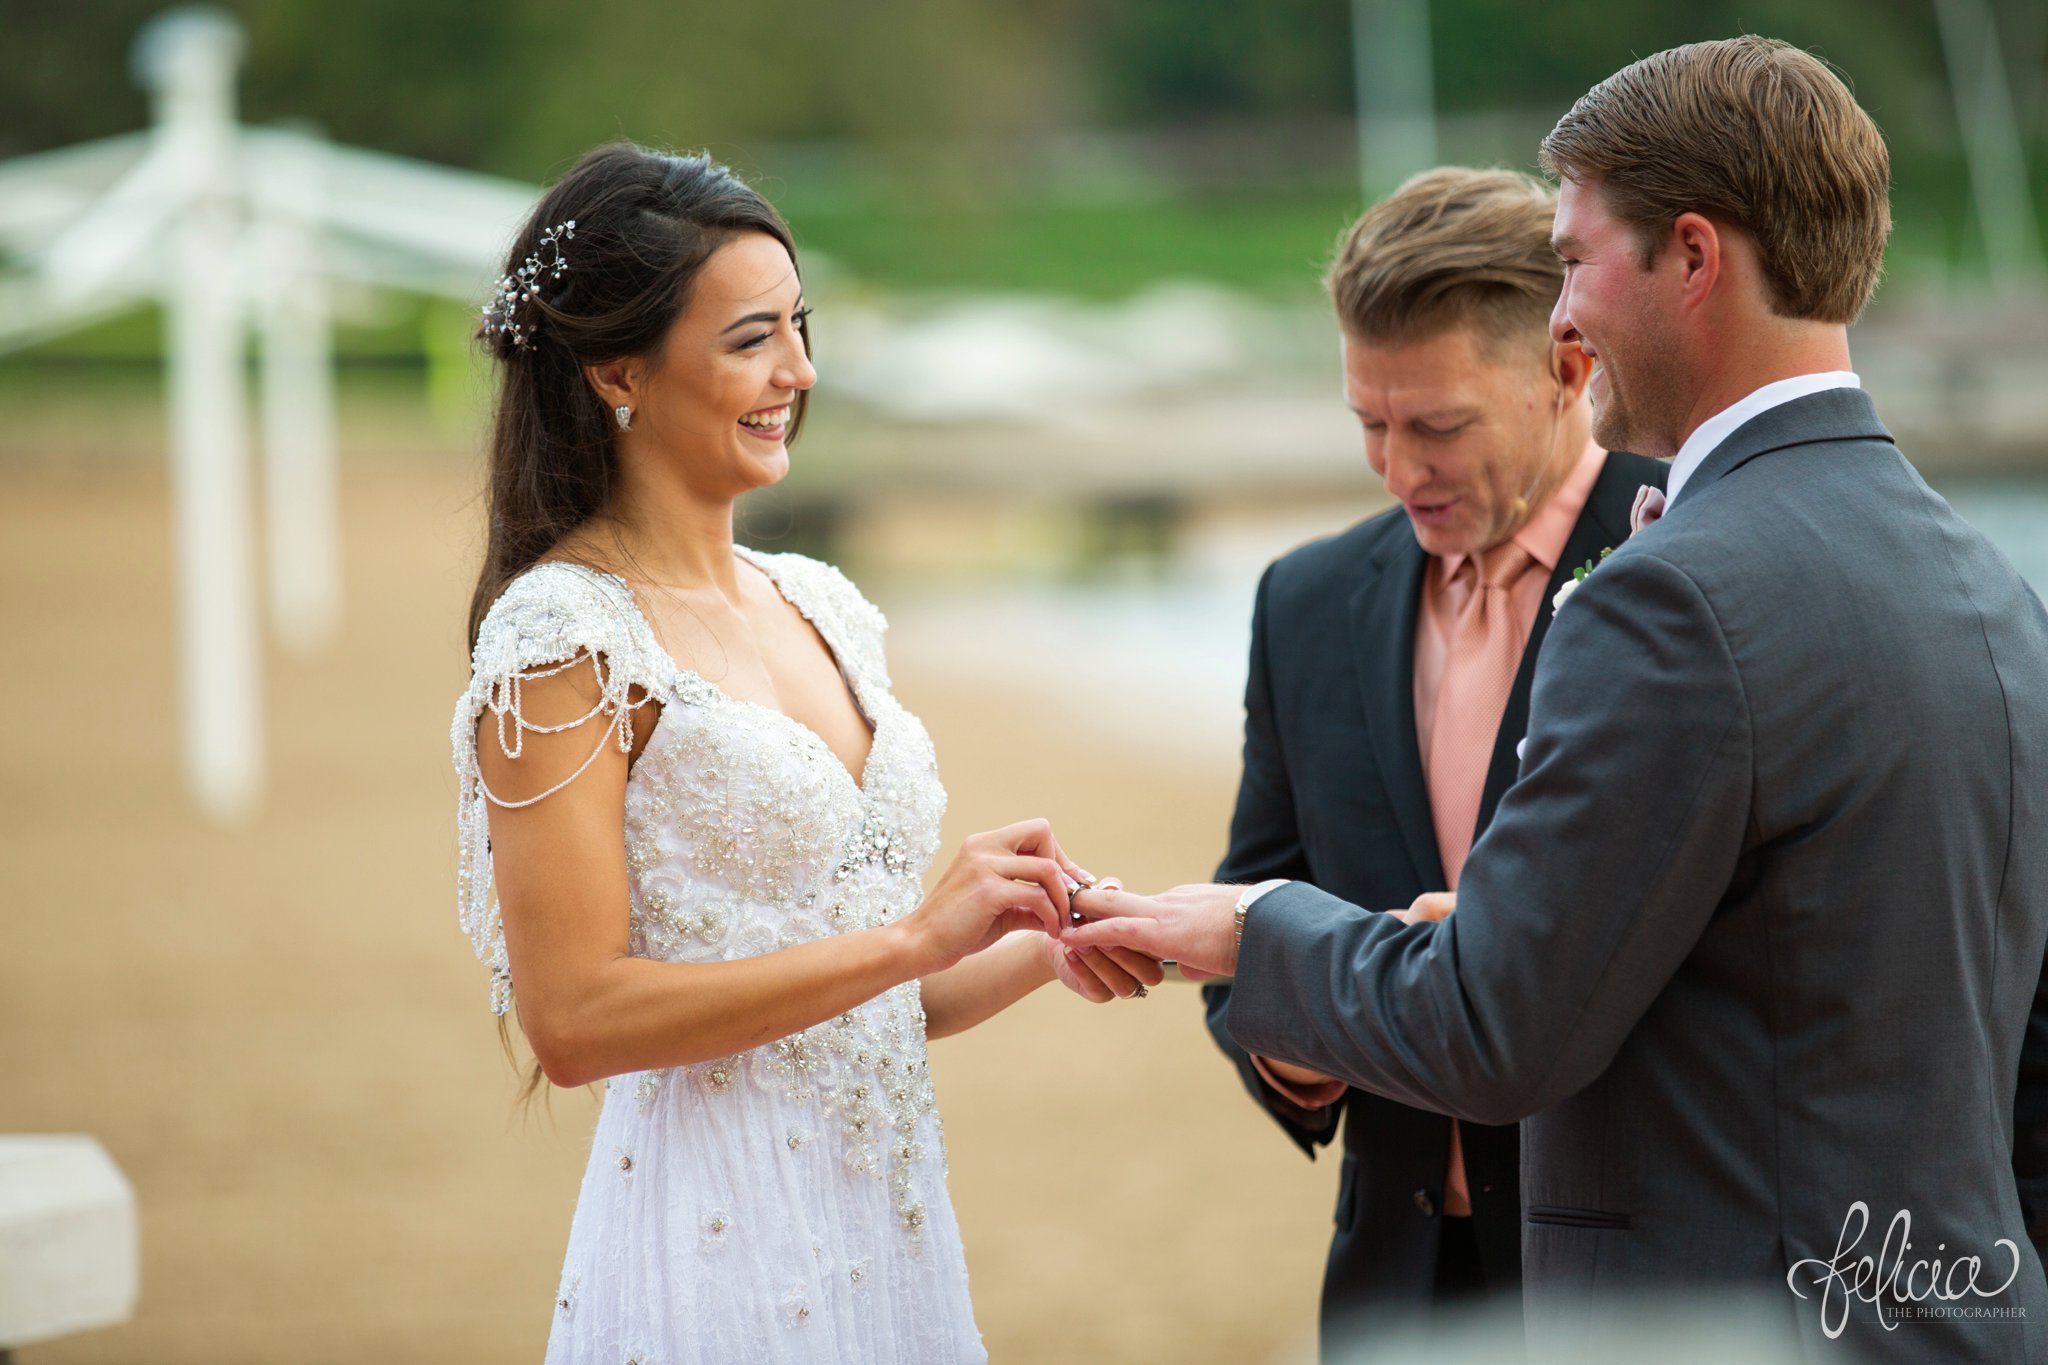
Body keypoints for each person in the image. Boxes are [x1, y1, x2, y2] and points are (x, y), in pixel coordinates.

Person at [1067, 37, 2048, 1360]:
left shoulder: (1671, 592)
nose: (1566, 315)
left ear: (1692, 257)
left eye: (1578, 260)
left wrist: (1257, 927)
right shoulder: (1990, 582)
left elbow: (1495, 1024)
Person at [449, 143, 1161, 1365]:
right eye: (750, 339)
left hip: (886, 1233)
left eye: (799, 327)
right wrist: (906, 939)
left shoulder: (819, 602)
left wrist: (1045, 942)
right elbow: (571, 1019)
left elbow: (868, 1008)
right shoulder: (564, 643)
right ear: (617, 370)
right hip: (712, 1240)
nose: (799, 372)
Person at [1201, 166, 1664, 1352]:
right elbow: (1253, 895)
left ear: (1569, 368)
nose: (1397, 469)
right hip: (1395, 1279)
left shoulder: (1685, 563)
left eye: (1436, 427)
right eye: (1369, 424)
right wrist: (1287, 1050)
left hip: (1638, 1274)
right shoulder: (1302, 601)